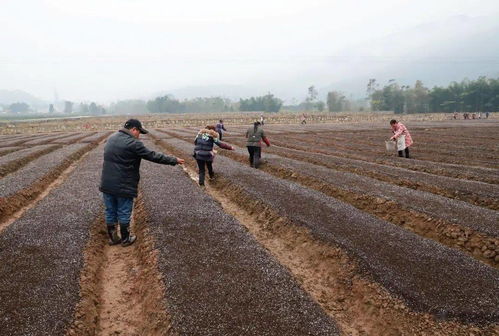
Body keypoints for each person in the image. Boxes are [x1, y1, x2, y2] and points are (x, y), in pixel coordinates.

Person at [100, 119, 185, 246]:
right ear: (134, 129)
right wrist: (173, 160)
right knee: (124, 210)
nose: (139, 135)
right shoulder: (133, 143)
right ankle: (125, 239)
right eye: (139, 132)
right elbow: (152, 156)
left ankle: (113, 238)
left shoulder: (111, 138)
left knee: (110, 210)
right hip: (124, 184)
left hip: (107, 183)